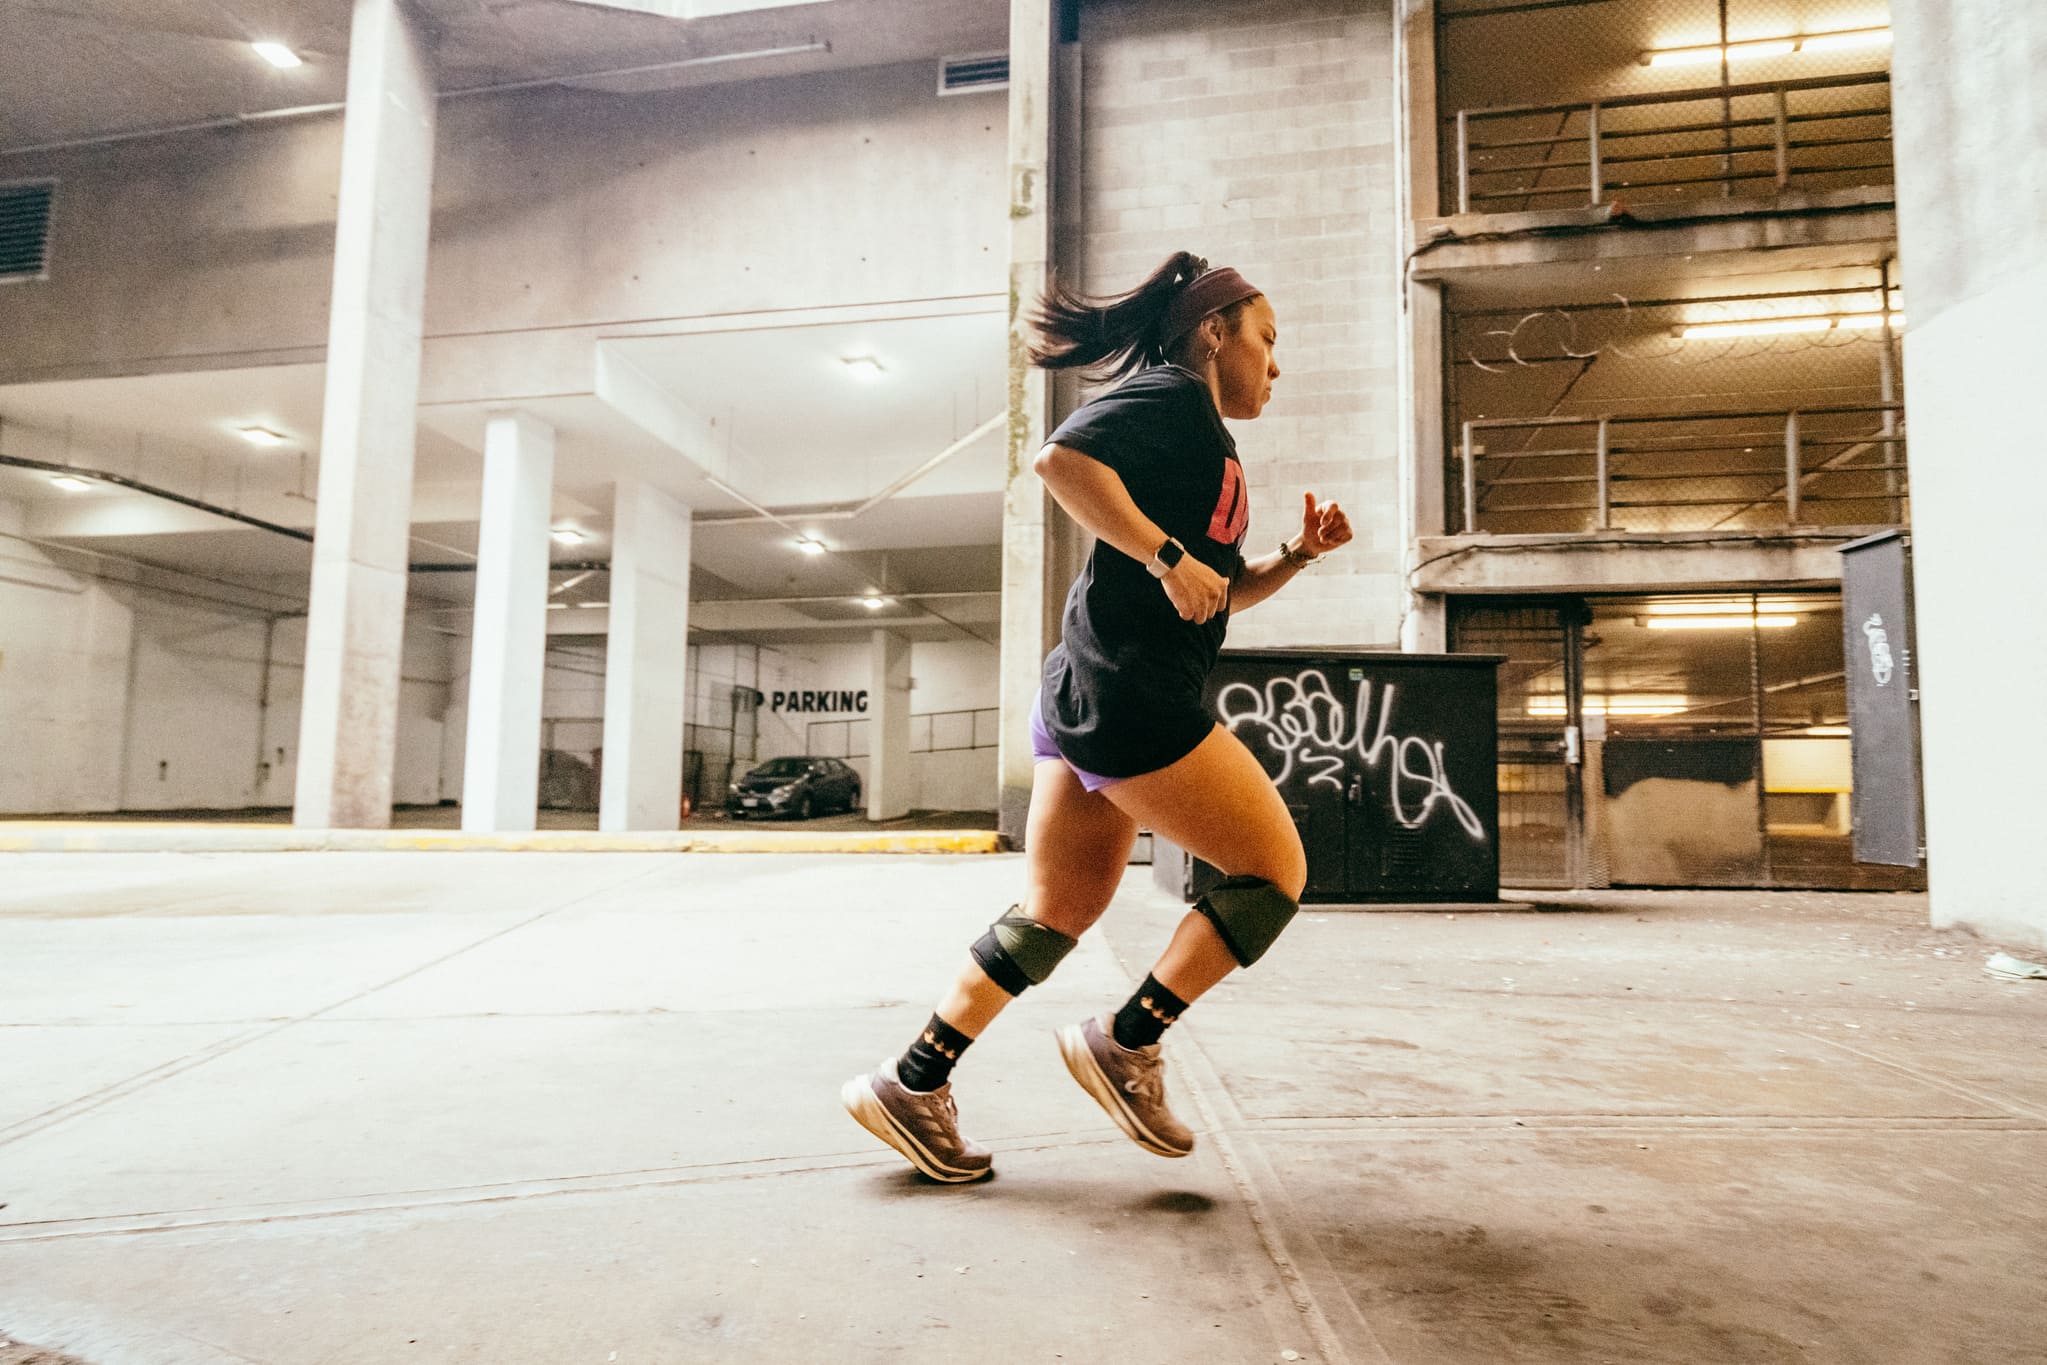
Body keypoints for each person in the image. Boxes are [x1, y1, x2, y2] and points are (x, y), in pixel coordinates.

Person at [841, 251, 1353, 1182]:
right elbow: (1060, 461)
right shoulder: (1168, 397)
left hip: (1083, 692)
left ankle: (911, 1082)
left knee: (1057, 909)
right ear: (1212, 331)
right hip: (1132, 697)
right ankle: (1125, 1043)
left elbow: (1217, 595)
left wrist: (1294, 555)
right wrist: (1165, 554)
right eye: (1266, 341)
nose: (1275, 367)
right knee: (1271, 873)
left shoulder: (1207, 443)